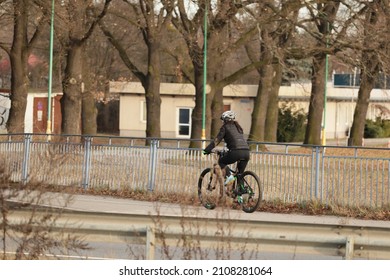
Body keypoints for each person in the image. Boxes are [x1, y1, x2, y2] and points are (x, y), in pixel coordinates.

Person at [203, 110, 250, 187]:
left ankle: (229, 177)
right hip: (246, 152)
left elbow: (216, 140)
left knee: (221, 162)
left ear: (225, 120)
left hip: (236, 152)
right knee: (240, 174)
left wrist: (206, 150)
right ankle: (240, 195)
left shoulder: (225, 127)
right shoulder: (238, 128)